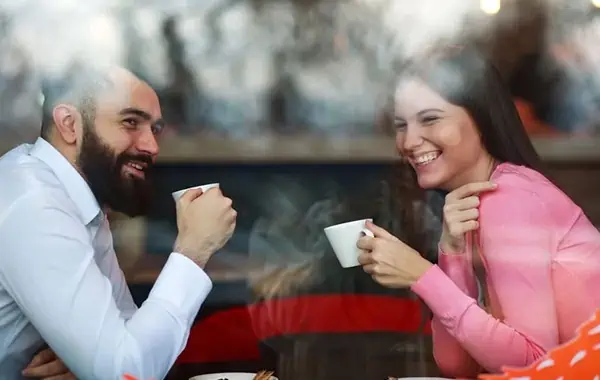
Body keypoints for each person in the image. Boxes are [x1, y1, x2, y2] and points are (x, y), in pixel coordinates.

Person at [356, 45, 600, 377]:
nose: (409, 141)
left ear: (481, 119)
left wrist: (422, 276)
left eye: (430, 119)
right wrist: (452, 256)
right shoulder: (473, 202)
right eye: (401, 125)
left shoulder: (510, 199)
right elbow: (457, 364)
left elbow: (533, 366)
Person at [0, 65, 237, 379]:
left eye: (154, 129)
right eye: (130, 122)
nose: (151, 146)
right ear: (70, 125)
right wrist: (193, 250)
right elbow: (128, 372)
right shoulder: (36, 205)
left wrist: (88, 362)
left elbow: (126, 340)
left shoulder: (77, 201)